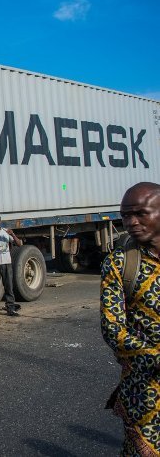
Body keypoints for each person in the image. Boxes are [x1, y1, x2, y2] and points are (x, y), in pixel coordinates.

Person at [100, 182, 160, 456]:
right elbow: (112, 328)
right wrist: (154, 357)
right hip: (143, 393)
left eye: (140, 213)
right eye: (125, 216)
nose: (131, 222)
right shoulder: (120, 263)